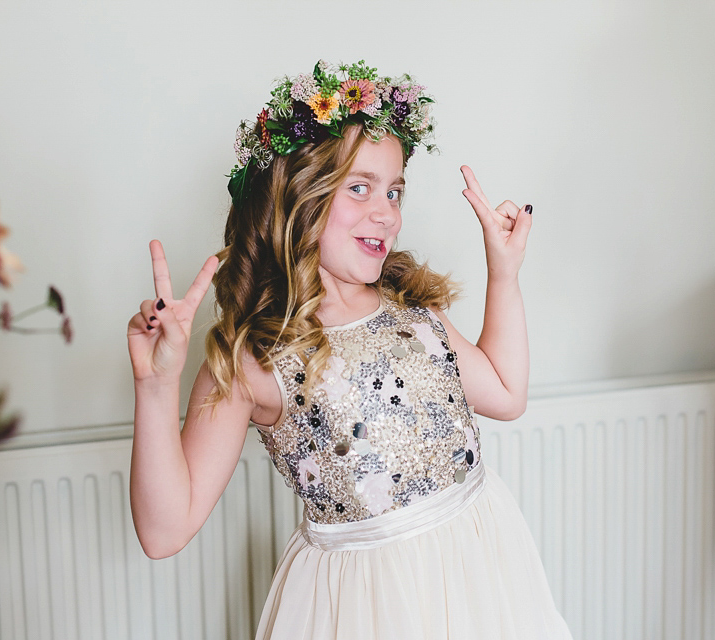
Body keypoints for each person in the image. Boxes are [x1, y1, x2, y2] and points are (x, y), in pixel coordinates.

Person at [127, 60, 572, 639]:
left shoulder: (411, 308)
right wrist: (156, 386)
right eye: (358, 188)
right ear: (299, 197)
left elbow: (507, 393)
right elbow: (164, 532)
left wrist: (504, 274)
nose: (385, 212)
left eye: (395, 191)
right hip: (369, 607)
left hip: (480, 572)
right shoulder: (254, 360)